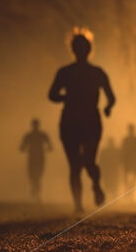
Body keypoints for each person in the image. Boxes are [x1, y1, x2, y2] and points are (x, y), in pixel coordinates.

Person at [49, 30, 115, 212]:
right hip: (72, 121)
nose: (80, 51)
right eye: (78, 48)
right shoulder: (66, 73)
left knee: (87, 161)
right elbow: (52, 94)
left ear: (88, 50)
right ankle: (78, 205)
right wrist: (67, 98)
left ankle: (95, 183)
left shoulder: (96, 73)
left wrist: (108, 107)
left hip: (89, 122)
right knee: (75, 165)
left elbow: (111, 97)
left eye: (83, 48)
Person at [20, 118, 52, 202]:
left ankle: (35, 193)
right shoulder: (41, 135)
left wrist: (24, 148)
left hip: (34, 158)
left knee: (34, 176)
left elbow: (22, 148)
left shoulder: (29, 135)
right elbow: (50, 147)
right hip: (38, 158)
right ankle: (36, 194)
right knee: (36, 176)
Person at [121, 124, 136, 193]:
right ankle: (127, 189)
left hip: (135, 161)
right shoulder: (125, 140)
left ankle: (132, 190)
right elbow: (122, 151)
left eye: (131, 129)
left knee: (134, 177)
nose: (130, 131)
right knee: (126, 177)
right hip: (127, 161)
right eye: (130, 129)